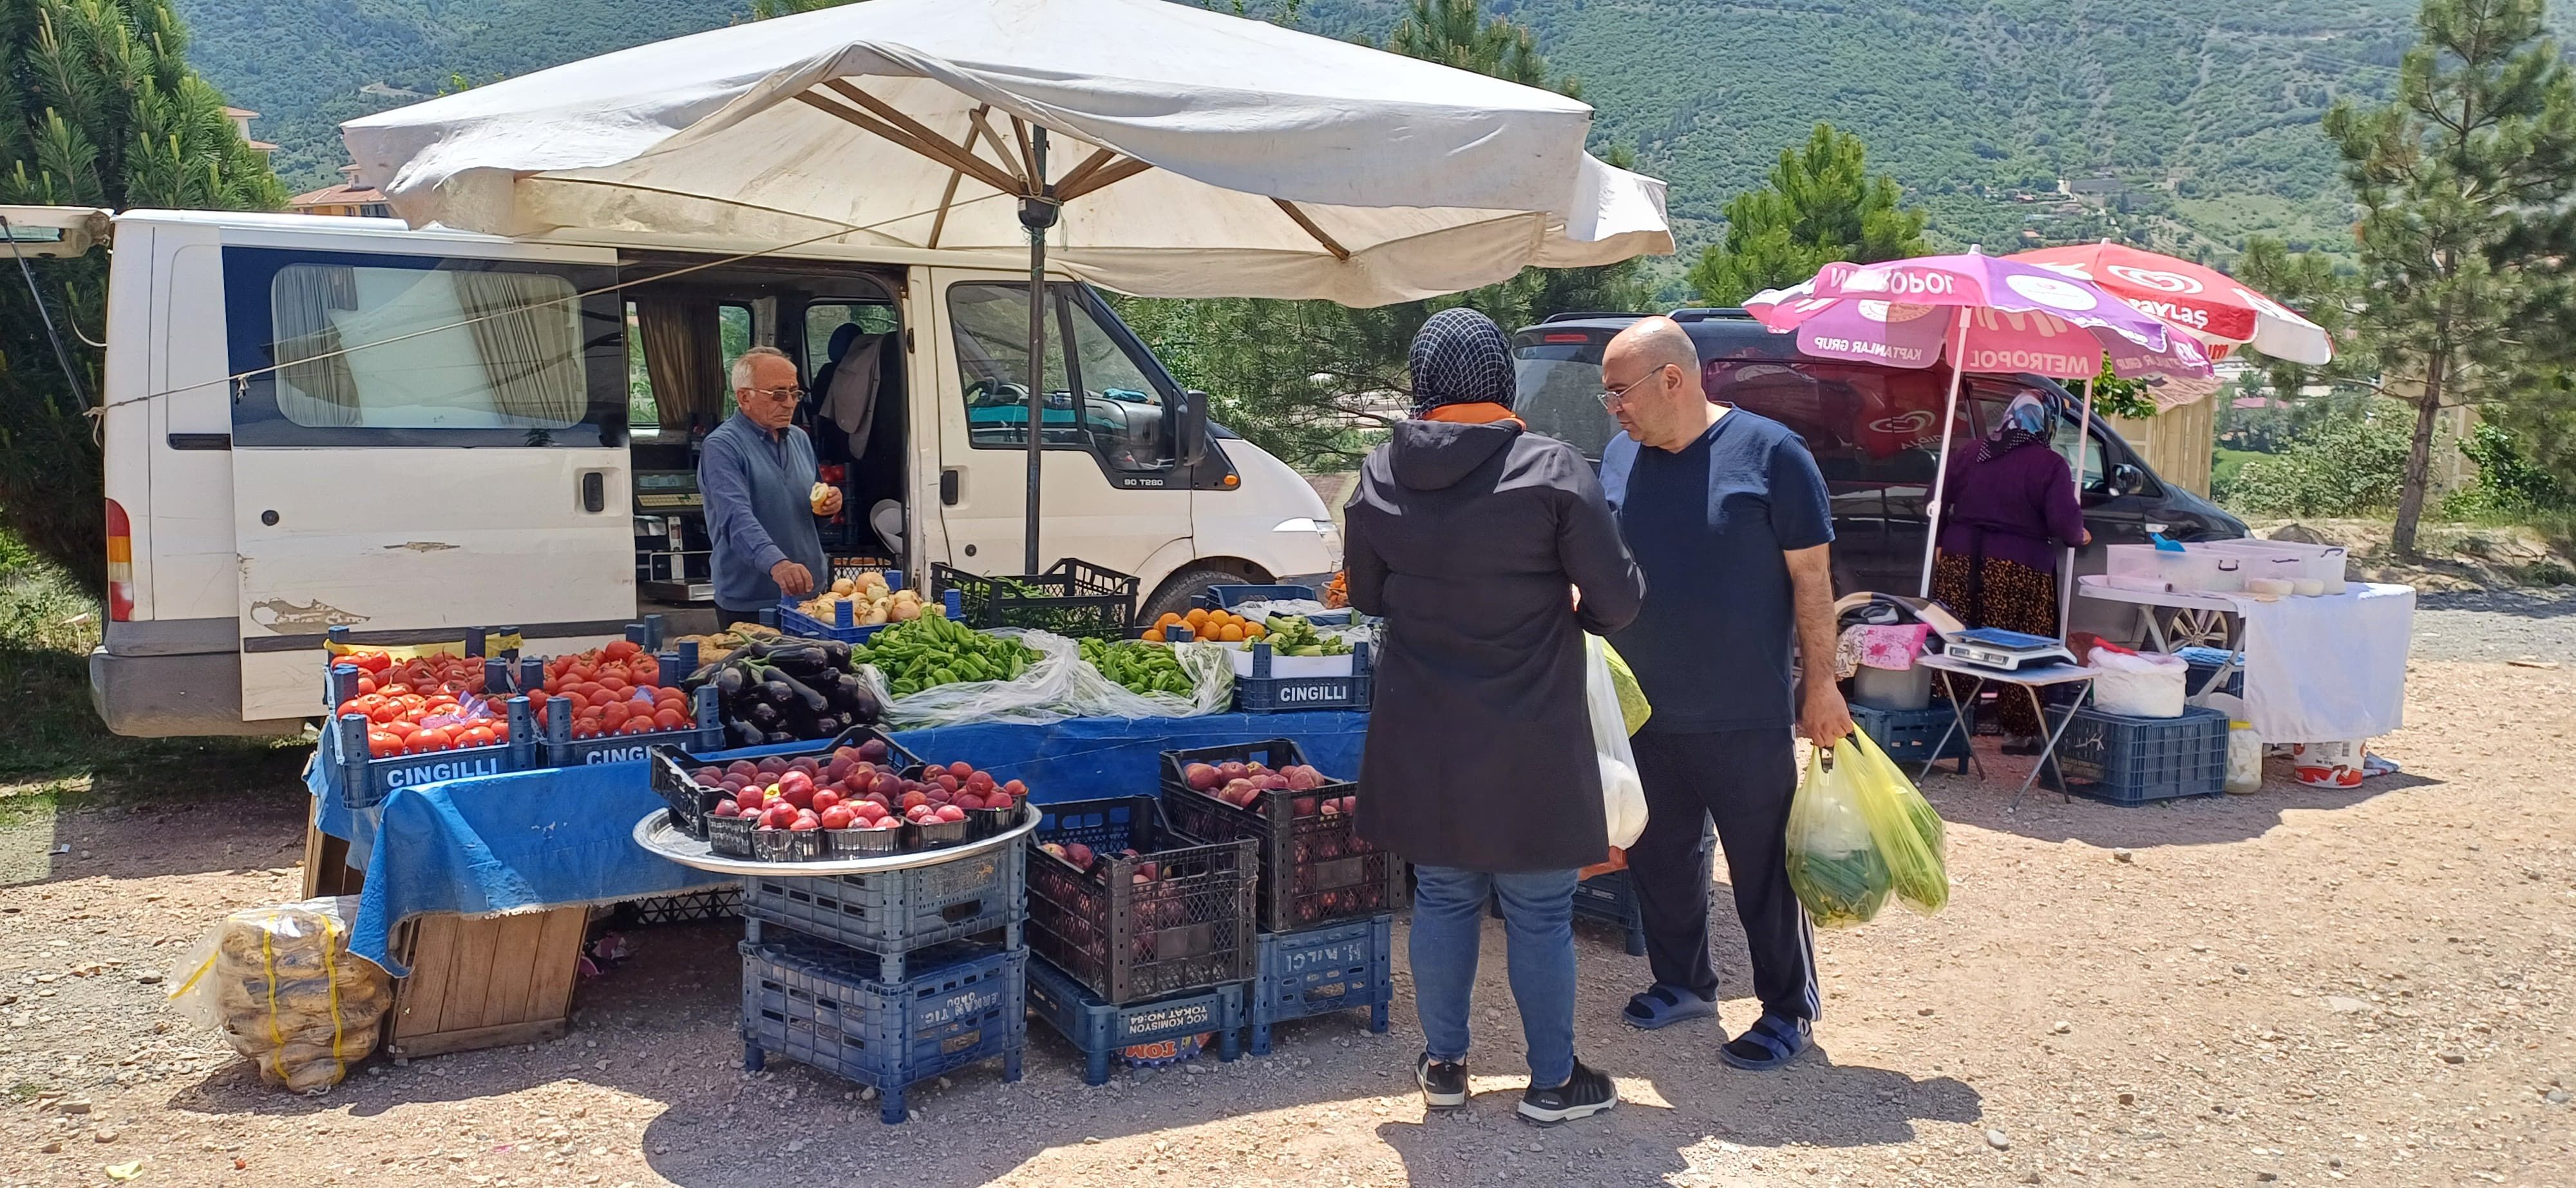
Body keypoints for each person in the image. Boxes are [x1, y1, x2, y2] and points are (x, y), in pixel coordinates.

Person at [1344, 308, 1645, 1126]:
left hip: (1425, 726)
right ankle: (1553, 1081)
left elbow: (1368, 595)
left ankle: (1444, 1067)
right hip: (1531, 728)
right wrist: (1572, 607)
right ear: (1503, 384)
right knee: (1540, 908)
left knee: (1442, 893)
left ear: (1422, 385)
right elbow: (1616, 598)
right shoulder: (1551, 467)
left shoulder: (1379, 471)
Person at [1595, 316, 1850, 1071]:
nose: (1613, 408)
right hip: (1645, 710)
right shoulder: (1617, 457)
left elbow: (1813, 580)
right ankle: (1682, 982)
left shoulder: (1773, 454)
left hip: (1742, 711)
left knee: (1763, 864)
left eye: (1620, 391)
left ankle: (1786, 1006)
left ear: (1673, 378)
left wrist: (1822, 685)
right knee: (1660, 855)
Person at [1930, 392, 2090, 752]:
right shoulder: (2049, 464)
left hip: (1960, 560)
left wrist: (1942, 540)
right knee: (2022, 648)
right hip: (2018, 569)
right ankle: (2019, 731)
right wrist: (2080, 534)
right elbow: (2067, 527)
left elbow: (1935, 500)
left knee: (1958, 641)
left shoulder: (1972, 452)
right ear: (2045, 422)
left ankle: (1947, 723)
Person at [699, 346, 840, 626]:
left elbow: (806, 516)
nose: (790, 403)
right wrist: (779, 564)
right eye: (778, 394)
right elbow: (735, 519)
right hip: (752, 602)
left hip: (810, 597)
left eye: (794, 392)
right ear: (744, 397)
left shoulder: (799, 439)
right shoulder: (722, 446)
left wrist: (827, 509)